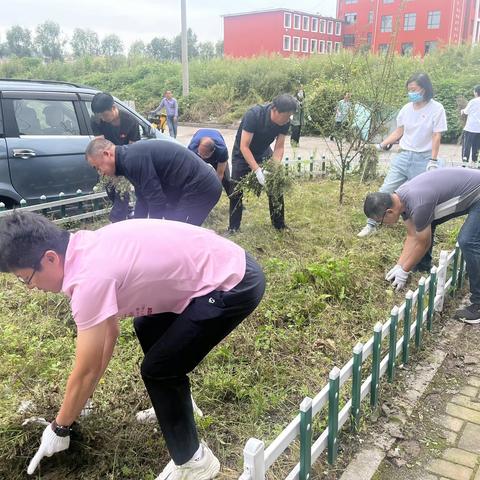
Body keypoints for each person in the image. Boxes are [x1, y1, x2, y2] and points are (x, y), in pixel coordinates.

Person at [0, 211, 265, 478]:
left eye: (26, 278)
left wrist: (60, 427)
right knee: (146, 325)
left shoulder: (89, 279)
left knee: (159, 370)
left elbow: (86, 369)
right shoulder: (84, 247)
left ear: (50, 258)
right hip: (218, 264)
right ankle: (181, 405)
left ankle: (195, 462)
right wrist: (81, 403)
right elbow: (107, 336)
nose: (29, 287)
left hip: (233, 282)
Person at [363, 168, 480, 323]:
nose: (382, 224)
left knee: (468, 241)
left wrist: (404, 271)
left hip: (477, 193)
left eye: (380, 222)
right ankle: (423, 267)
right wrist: (400, 266)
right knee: (423, 226)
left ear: (389, 212)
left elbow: (423, 242)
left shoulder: (418, 203)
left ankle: (478, 304)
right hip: (470, 192)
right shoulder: (401, 199)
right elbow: (412, 236)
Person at [357, 73, 447, 241]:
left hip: (423, 158)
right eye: (409, 90)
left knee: (421, 197)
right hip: (403, 156)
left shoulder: (437, 109)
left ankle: (424, 230)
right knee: (385, 189)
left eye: (414, 89)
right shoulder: (406, 109)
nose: (411, 93)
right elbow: (399, 132)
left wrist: (433, 160)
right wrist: (381, 145)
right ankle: (371, 224)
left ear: (424, 89)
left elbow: (436, 135)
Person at [86, 137, 222, 226]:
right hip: (193, 187)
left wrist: (151, 232)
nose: (101, 172)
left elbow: (157, 200)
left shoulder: (131, 160)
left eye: (98, 167)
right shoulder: (127, 160)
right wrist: (137, 227)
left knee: (179, 233)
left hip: (201, 187)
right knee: (174, 230)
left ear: (106, 154)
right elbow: (143, 197)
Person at [229, 94, 298, 232]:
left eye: (289, 117)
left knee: (275, 185)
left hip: (263, 152)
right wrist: (257, 170)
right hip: (242, 154)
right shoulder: (254, 115)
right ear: (275, 110)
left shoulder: (285, 122)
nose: (286, 120)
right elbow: (244, 146)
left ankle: (279, 225)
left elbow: (279, 147)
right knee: (236, 190)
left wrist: (273, 168)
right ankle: (233, 227)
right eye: (285, 116)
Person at [91, 92, 141, 223]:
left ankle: (117, 220)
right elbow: (99, 146)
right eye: (99, 115)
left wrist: (122, 170)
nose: (102, 118)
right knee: (113, 195)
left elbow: (133, 150)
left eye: (105, 115)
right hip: (106, 163)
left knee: (122, 196)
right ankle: (127, 215)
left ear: (113, 108)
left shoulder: (130, 122)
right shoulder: (96, 120)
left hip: (124, 162)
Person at [188, 128, 232, 195]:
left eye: (205, 156)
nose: (202, 158)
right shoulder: (192, 147)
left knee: (226, 180)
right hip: (198, 140)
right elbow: (190, 169)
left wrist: (213, 190)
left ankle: (235, 202)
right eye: (200, 154)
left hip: (216, 158)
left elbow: (220, 174)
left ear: (213, 151)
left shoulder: (221, 151)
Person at [461, 85, 480, 166]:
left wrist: (462, 111)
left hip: (470, 128)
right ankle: (475, 162)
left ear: (476, 92)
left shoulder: (473, 101)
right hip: (479, 129)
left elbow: (466, 112)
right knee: (477, 146)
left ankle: (465, 162)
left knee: (467, 146)